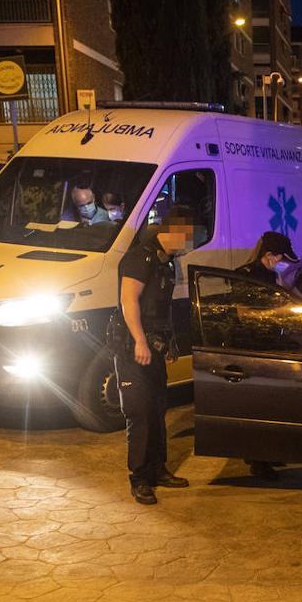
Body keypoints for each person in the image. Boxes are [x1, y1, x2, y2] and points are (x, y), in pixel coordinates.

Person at [114, 205, 197, 504]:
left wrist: (170, 342)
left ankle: (158, 470)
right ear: (171, 231)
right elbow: (129, 302)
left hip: (155, 346)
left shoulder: (167, 261)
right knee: (139, 413)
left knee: (157, 410)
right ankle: (139, 479)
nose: (189, 244)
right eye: (186, 236)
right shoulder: (140, 257)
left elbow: (163, 308)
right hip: (133, 348)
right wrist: (139, 341)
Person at [233, 231, 299, 481]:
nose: (283, 262)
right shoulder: (244, 276)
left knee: (272, 405)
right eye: (281, 257)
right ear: (269, 256)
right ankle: (257, 461)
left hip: (272, 347)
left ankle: (268, 453)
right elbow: (242, 314)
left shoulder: (272, 276)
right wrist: (276, 313)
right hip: (252, 349)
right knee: (257, 406)